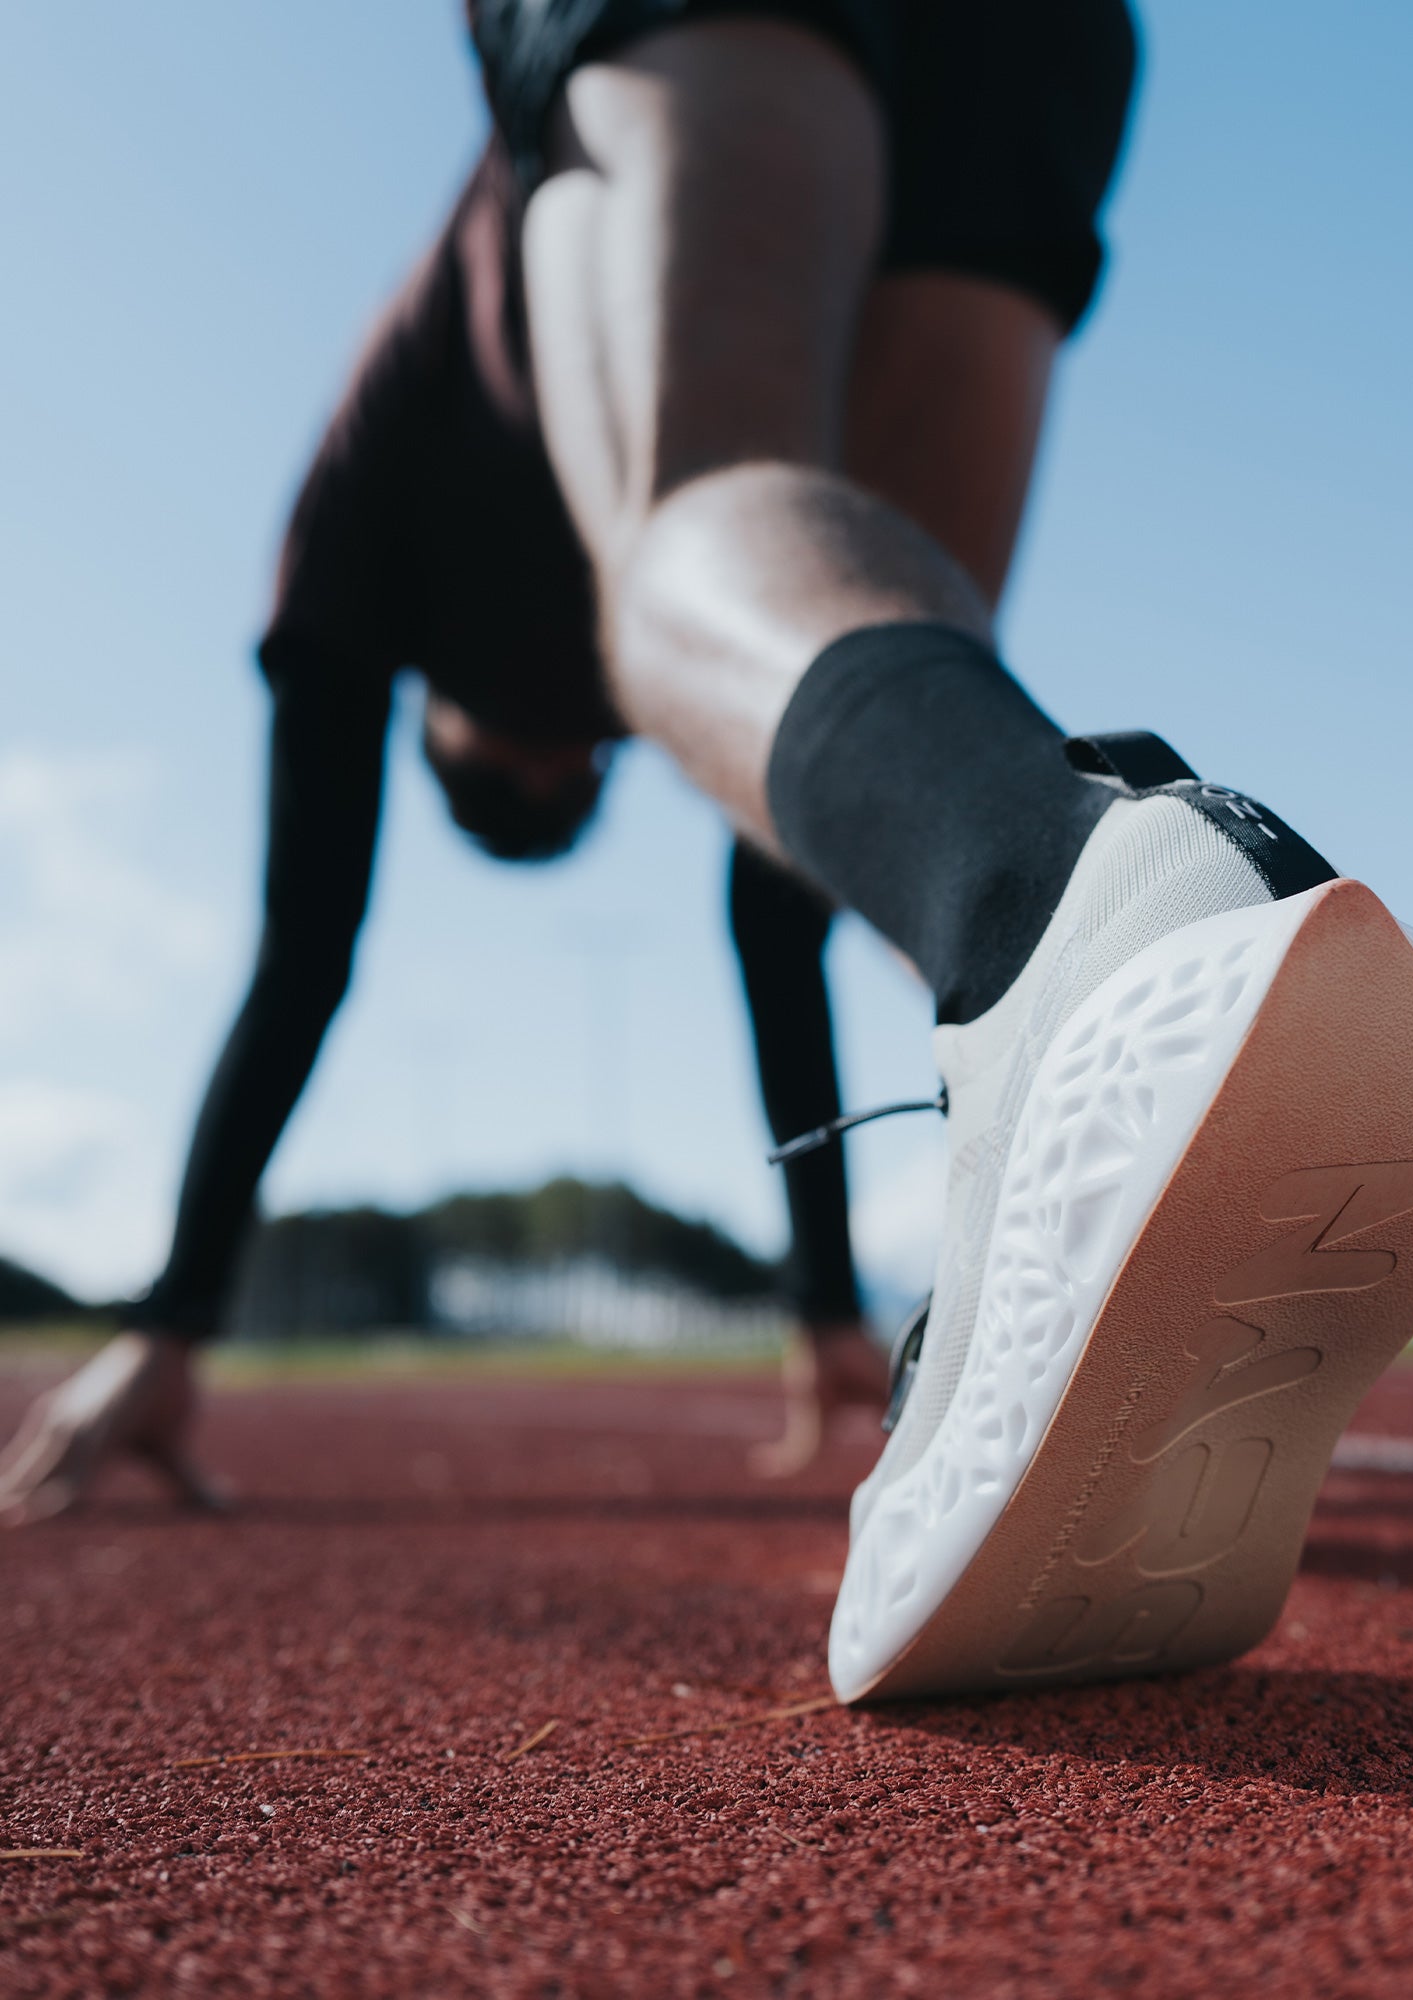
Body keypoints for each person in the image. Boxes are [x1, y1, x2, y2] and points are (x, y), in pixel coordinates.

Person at [464, 0, 1413, 1703]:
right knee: (891, 629)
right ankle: (1102, 930)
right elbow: (791, 880)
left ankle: (1076, 900)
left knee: (694, 530)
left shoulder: (382, 466)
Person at [0, 141, 885, 1528]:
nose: (569, 738)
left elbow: (309, 949)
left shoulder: (354, 548)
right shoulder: (556, 630)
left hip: (604, 150)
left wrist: (170, 1324)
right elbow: (775, 910)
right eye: (579, 759)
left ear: (441, 713)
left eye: (547, 744)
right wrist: (829, 1305)